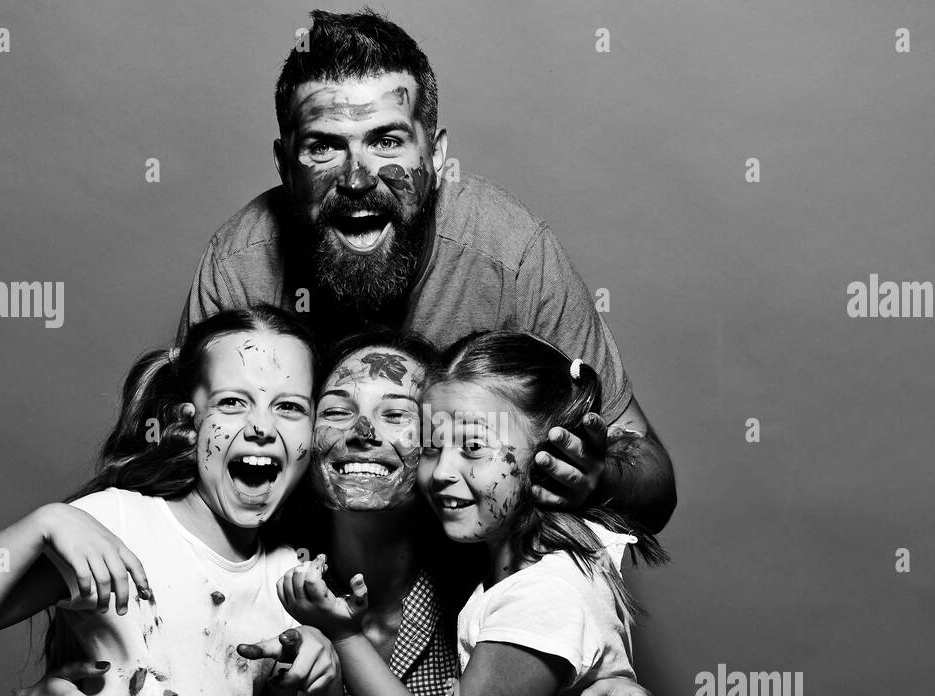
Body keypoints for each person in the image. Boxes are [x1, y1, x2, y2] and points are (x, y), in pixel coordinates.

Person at [8, 327, 665, 696]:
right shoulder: (262, 564)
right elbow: (151, 659)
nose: (363, 432)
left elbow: (568, 622)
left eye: (397, 415)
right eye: (337, 409)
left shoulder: (484, 565)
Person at [180, 8, 677, 534]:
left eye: (387, 141)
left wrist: (598, 477)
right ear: (285, 165)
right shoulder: (239, 268)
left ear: (436, 155)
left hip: (469, 586)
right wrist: (83, 521)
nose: (356, 179)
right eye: (324, 146)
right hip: (295, 573)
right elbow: (179, 462)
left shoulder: (513, 259)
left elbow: (655, 488)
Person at [0, 308, 343, 696]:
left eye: (289, 407)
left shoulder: (291, 582)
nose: (261, 427)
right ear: (189, 422)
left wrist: (324, 675)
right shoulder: (117, 523)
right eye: (232, 403)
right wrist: (45, 523)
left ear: (312, 432)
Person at [282, 330, 668, 696]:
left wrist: (344, 635)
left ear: (552, 459)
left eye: (473, 447)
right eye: (432, 448)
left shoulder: (542, 587)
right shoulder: (501, 573)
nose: (442, 471)